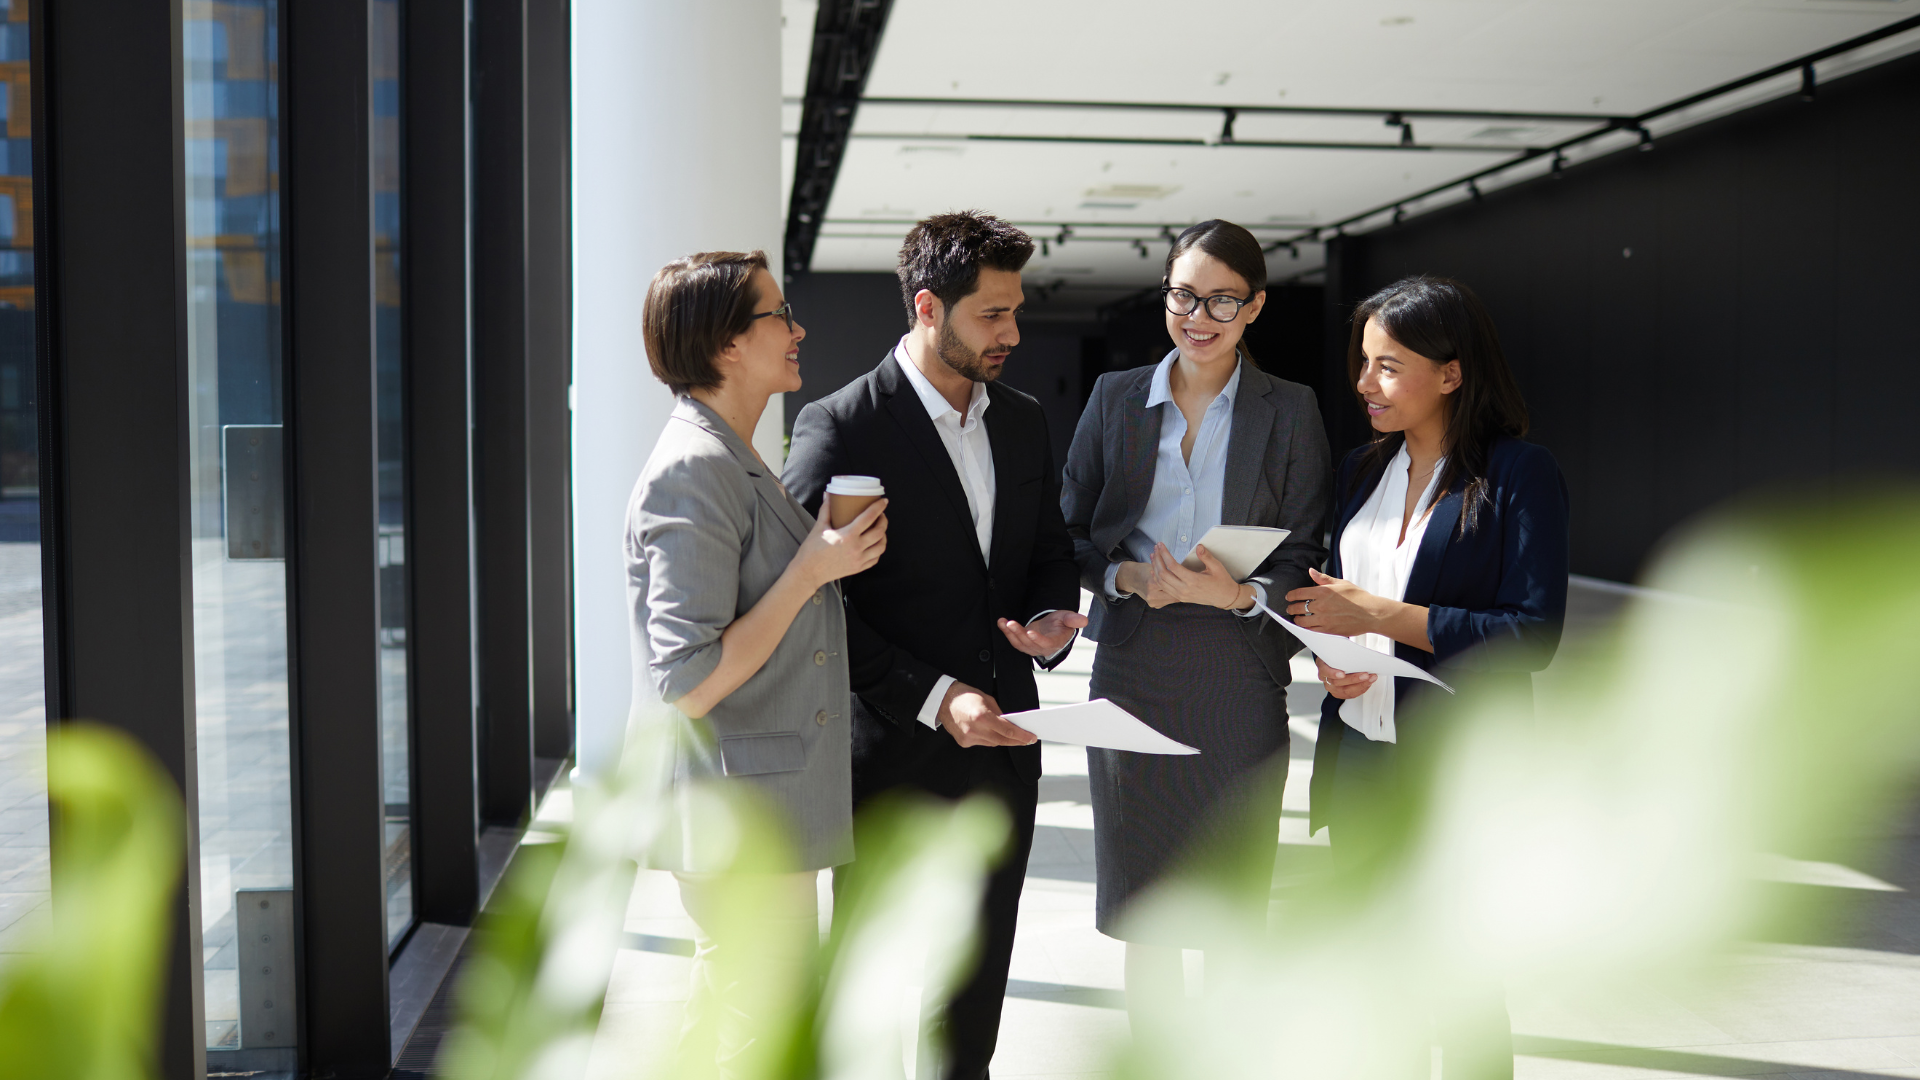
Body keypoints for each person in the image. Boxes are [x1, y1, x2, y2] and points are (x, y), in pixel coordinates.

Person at [783, 211, 1086, 1080]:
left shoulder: (1024, 421)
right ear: (928, 307)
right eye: (993, 315)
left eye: (1015, 311)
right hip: (887, 762)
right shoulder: (839, 427)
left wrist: (1051, 618)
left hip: (1006, 755)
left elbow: (1048, 550)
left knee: (973, 1005)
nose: (1013, 333)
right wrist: (932, 693)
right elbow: (814, 603)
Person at [1292, 274, 1569, 1080]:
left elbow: (1532, 633)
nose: (1363, 382)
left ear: (1452, 372)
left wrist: (1378, 618)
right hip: (1359, 761)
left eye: (1387, 365)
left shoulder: (1520, 473)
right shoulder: (1359, 472)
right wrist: (1331, 652)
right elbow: (1337, 603)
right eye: (1364, 361)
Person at [1060, 219, 1332, 1030]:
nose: (1198, 315)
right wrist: (1124, 575)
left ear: (1253, 308)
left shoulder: (1291, 409)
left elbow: (1308, 547)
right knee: (1147, 907)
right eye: (1184, 294)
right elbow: (1069, 531)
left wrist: (1240, 598)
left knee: (1229, 900)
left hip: (1238, 675)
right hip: (1135, 669)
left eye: (1221, 300)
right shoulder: (1116, 400)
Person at [625, 250, 889, 1078]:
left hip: (760, 802)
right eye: (779, 313)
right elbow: (690, 680)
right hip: (738, 811)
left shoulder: (730, 455)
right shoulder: (695, 470)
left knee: (735, 1024)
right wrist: (814, 567)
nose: (798, 328)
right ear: (726, 345)